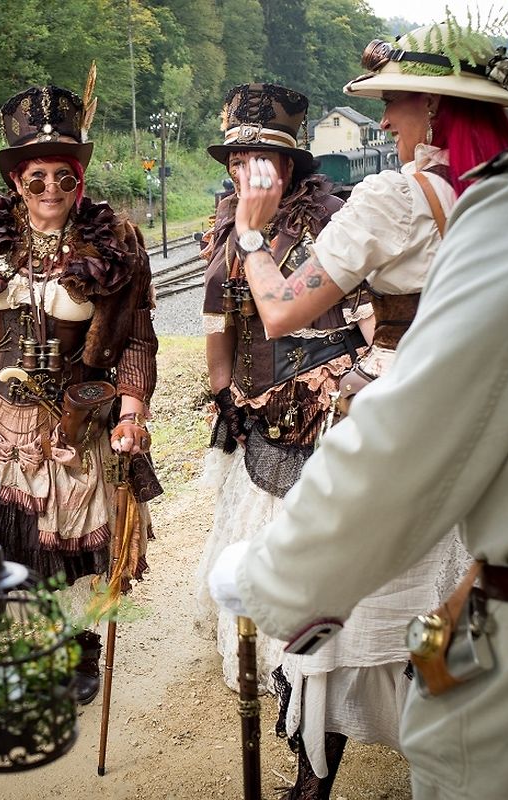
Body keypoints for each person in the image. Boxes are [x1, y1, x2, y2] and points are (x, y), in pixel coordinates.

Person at [210, 0, 508, 796]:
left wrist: (248, 236)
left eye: (394, 103)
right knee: (436, 612)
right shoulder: (499, 185)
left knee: (353, 629)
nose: (388, 122)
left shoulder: (503, 195)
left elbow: (286, 322)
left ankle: (317, 770)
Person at [0, 83, 160, 703]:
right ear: (16, 183)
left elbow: (137, 337)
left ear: (79, 177)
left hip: (73, 417)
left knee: (70, 543)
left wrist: (132, 411)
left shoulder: (114, 242)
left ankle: (77, 649)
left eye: (64, 176)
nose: (52, 190)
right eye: (37, 180)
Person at [192, 83, 367, 697]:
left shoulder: (333, 220)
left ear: (290, 164)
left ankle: (311, 659)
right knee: (249, 531)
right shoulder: (225, 220)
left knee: (306, 537)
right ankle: (265, 647)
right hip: (254, 404)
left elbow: (354, 323)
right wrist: (223, 393)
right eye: (237, 162)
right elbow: (218, 314)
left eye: (259, 160)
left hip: (318, 409)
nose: (246, 172)